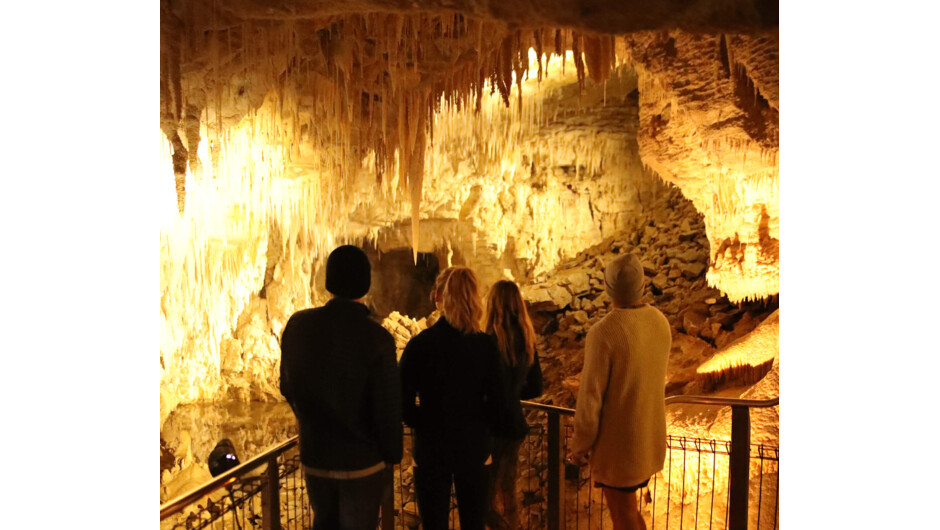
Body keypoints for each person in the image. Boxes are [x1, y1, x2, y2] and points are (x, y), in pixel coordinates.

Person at [279, 245, 402, 530]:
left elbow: (288, 386)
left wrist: (311, 421)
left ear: (329, 282)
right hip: (362, 464)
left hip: (315, 459)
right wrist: (392, 455)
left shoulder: (299, 327)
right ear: (365, 284)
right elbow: (387, 407)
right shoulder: (377, 338)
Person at [399, 267, 522, 530]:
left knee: (433, 523)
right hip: (474, 448)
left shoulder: (420, 345)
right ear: (475, 299)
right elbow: (499, 404)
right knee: (473, 523)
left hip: (431, 449)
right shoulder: (486, 347)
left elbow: (403, 402)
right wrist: (481, 424)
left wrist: (425, 423)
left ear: (439, 298)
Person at [568, 253, 671, 530]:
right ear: (642, 284)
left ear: (608, 287)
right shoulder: (660, 322)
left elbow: (590, 400)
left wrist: (579, 447)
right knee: (630, 515)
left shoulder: (603, 333)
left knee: (623, 517)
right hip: (649, 442)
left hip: (619, 450)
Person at [483, 280, 543, 530]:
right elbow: (536, 387)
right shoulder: (527, 340)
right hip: (514, 426)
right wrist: (513, 391)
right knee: (508, 490)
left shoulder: (486, 341)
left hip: (490, 428)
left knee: (483, 497)